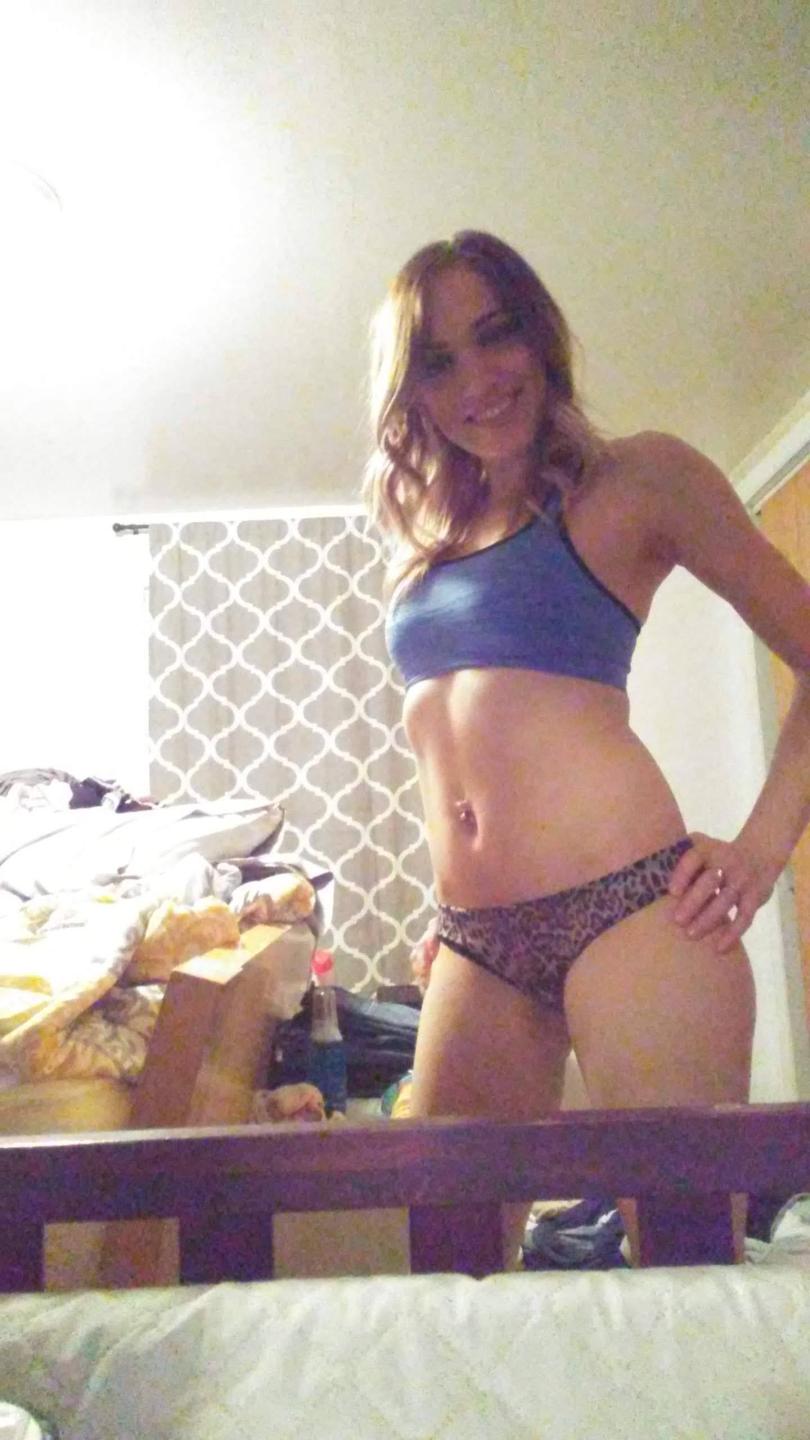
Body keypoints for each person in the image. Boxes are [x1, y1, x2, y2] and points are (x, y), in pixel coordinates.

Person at [363, 230, 810, 1266]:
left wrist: (762, 849)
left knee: (681, 1262)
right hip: (476, 940)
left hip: (636, 913)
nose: (478, 379)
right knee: (447, 1271)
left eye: (496, 335)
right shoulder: (422, 535)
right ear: (413, 391)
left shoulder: (638, 479)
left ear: (540, 337)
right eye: (439, 361)